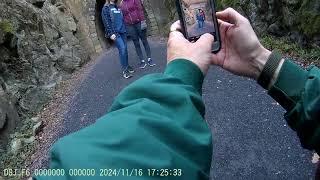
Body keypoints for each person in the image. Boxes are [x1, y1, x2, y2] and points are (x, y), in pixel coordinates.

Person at [34, 8, 319, 179]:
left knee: (141, 45)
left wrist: (181, 72)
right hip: (124, 33)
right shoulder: (114, 8)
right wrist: (259, 59)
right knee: (126, 47)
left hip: (137, 30)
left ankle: (144, 59)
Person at [101, 0, 134, 79]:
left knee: (125, 49)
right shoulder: (106, 8)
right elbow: (106, 21)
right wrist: (111, 33)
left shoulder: (117, 7)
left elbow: (121, 19)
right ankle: (125, 71)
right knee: (122, 49)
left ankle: (127, 65)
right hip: (115, 33)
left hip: (123, 31)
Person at [120, 0, 156, 69]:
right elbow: (123, 15)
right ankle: (142, 61)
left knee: (144, 41)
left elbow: (140, 9)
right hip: (130, 26)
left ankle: (149, 59)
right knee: (136, 43)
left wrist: (143, 21)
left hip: (138, 23)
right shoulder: (122, 3)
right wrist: (126, 24)